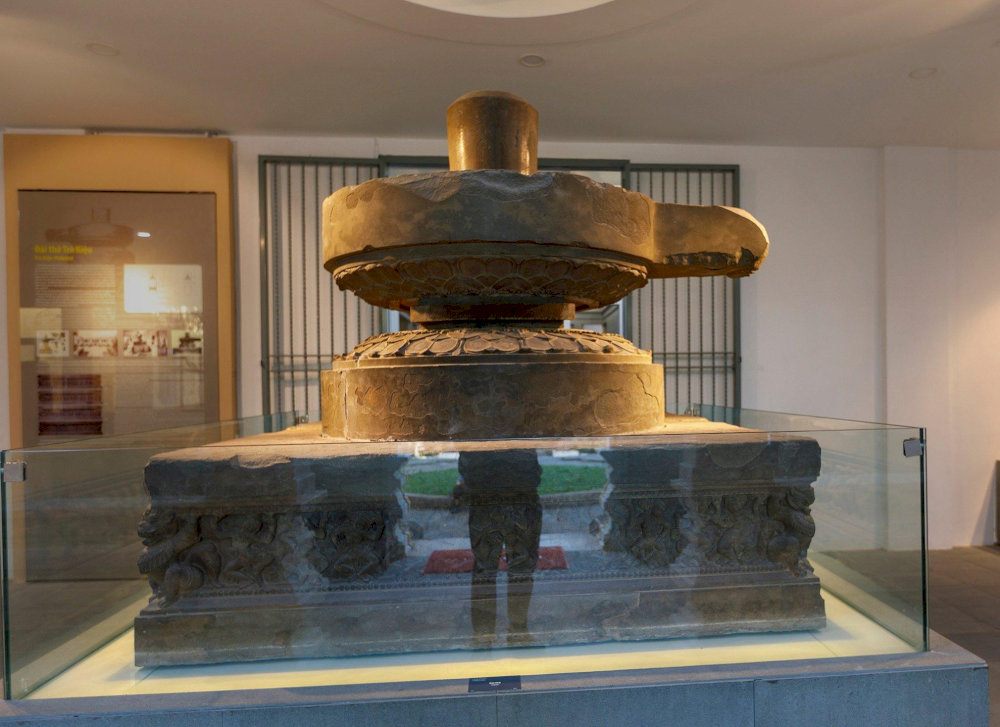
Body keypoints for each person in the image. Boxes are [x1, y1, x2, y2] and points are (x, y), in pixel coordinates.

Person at [457, 449, 542, 648]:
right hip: (502, 490)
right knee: (502, 568)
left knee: (497, 568)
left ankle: (500, 632)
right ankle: (500, 632)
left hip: (506, 490)